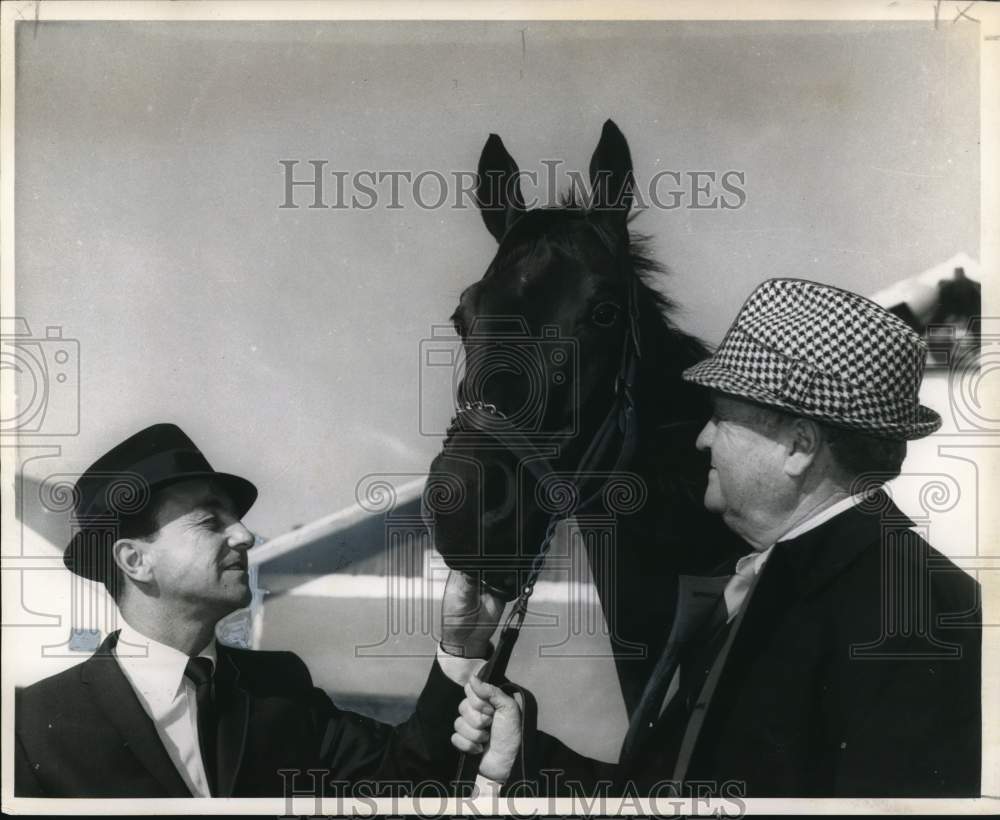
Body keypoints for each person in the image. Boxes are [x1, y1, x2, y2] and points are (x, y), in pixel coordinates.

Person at [451, 278, 982, 798]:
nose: (702, 438)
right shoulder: (794, 580)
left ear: (799, 446)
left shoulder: (917, 612)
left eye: (722, 418)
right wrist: (522, 761)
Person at [15, 423, 499, 798]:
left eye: (238, 519)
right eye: (210, 520)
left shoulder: (281, 688)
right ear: (135, 560)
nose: (244, 535)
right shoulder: (32, 726)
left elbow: (406, 782)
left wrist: (462, 644)